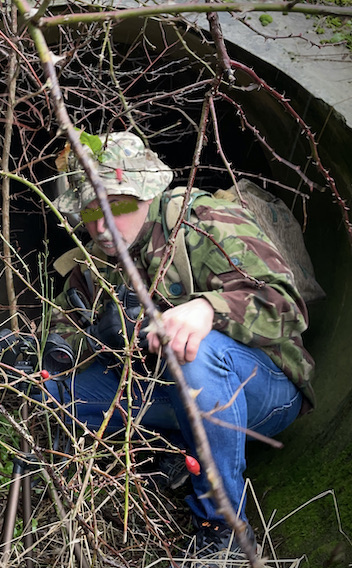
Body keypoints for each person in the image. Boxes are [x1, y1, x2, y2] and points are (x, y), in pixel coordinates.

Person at [42, 130, 315, 561]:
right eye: (91, 209)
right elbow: (63, 325)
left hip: (264, 390)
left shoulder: (202, 221)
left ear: (147, 194)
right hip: (169, 394)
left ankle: (222, 528)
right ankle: (176, 450)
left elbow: (286, 307)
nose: (102, 225)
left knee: (194, 353)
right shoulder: (98, 260)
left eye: (118, 204)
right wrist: (40, 347)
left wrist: (209, 309)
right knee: (52, 395)